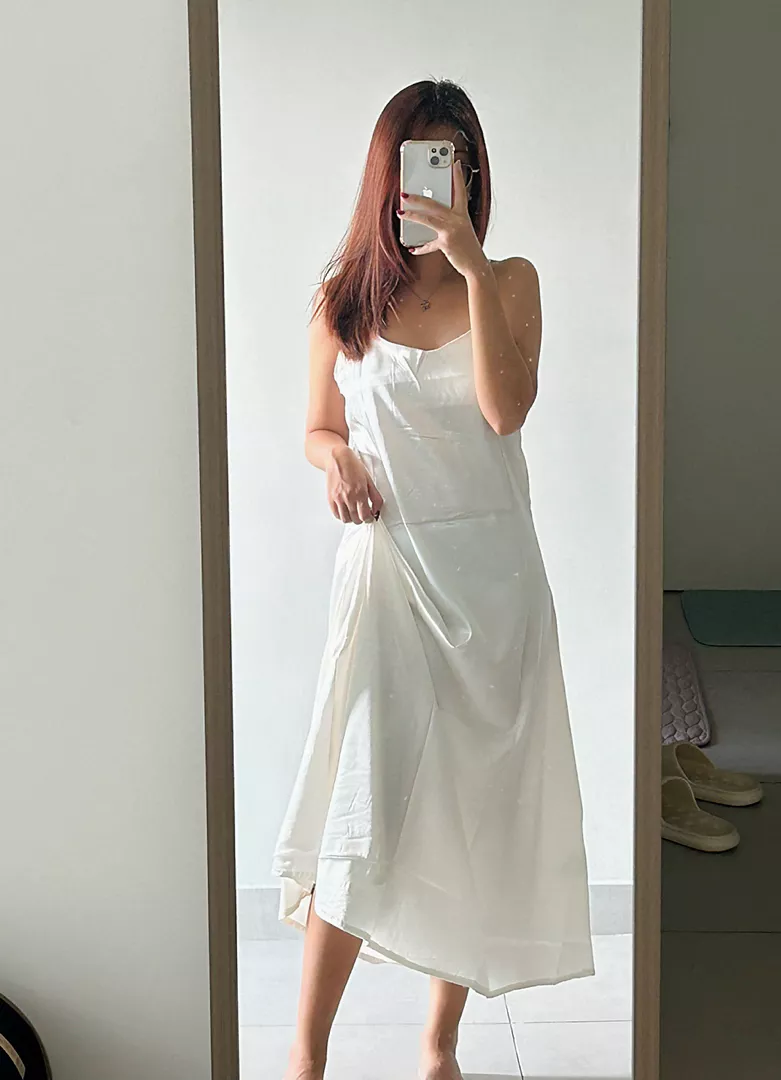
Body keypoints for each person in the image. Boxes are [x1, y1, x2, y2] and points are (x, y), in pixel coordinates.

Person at [272, 78, 594, 1080]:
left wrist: (470, 263)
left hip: (493, 580)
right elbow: (317, 426)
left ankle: (439, 1046)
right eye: (421, 159)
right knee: (359, 810)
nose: (439, 178)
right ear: (388, 172)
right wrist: (337, 459)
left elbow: (505, 410)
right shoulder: (344, 297)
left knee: (472, 810)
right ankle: (305, 1057)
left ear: (473, 175)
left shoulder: (511, 281)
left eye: (454, 161)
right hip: (390, 574)